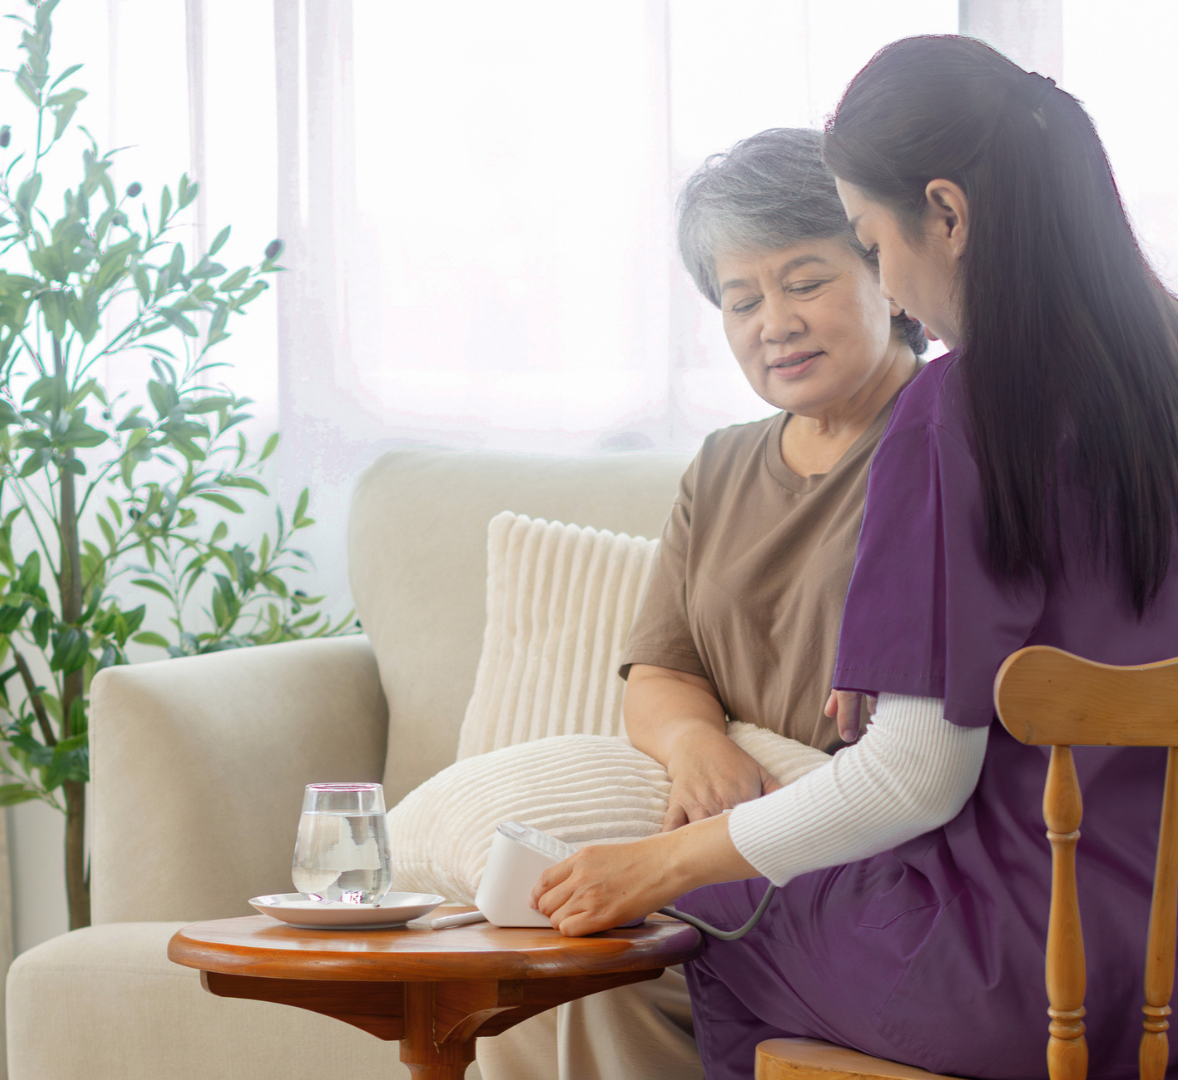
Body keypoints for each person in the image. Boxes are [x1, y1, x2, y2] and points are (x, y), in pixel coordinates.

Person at [531, 34, 1178, 1080]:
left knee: (708, 915)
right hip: (1161, 963)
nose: (896, 290)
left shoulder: (956, 411)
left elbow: (914, 777)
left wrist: (658, 862)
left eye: (870, 249)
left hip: (1020, 975)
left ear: (947, 215)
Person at [475, 127, 925, 1080]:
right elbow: (662, 669)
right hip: (726, 845)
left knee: (582, 966)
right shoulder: (722, 467)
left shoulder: (941, 442)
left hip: (858, 848)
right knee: (521, 965)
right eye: (741, 298)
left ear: (886, 270)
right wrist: (695, 745)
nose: (775, 322)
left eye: (806, 281)